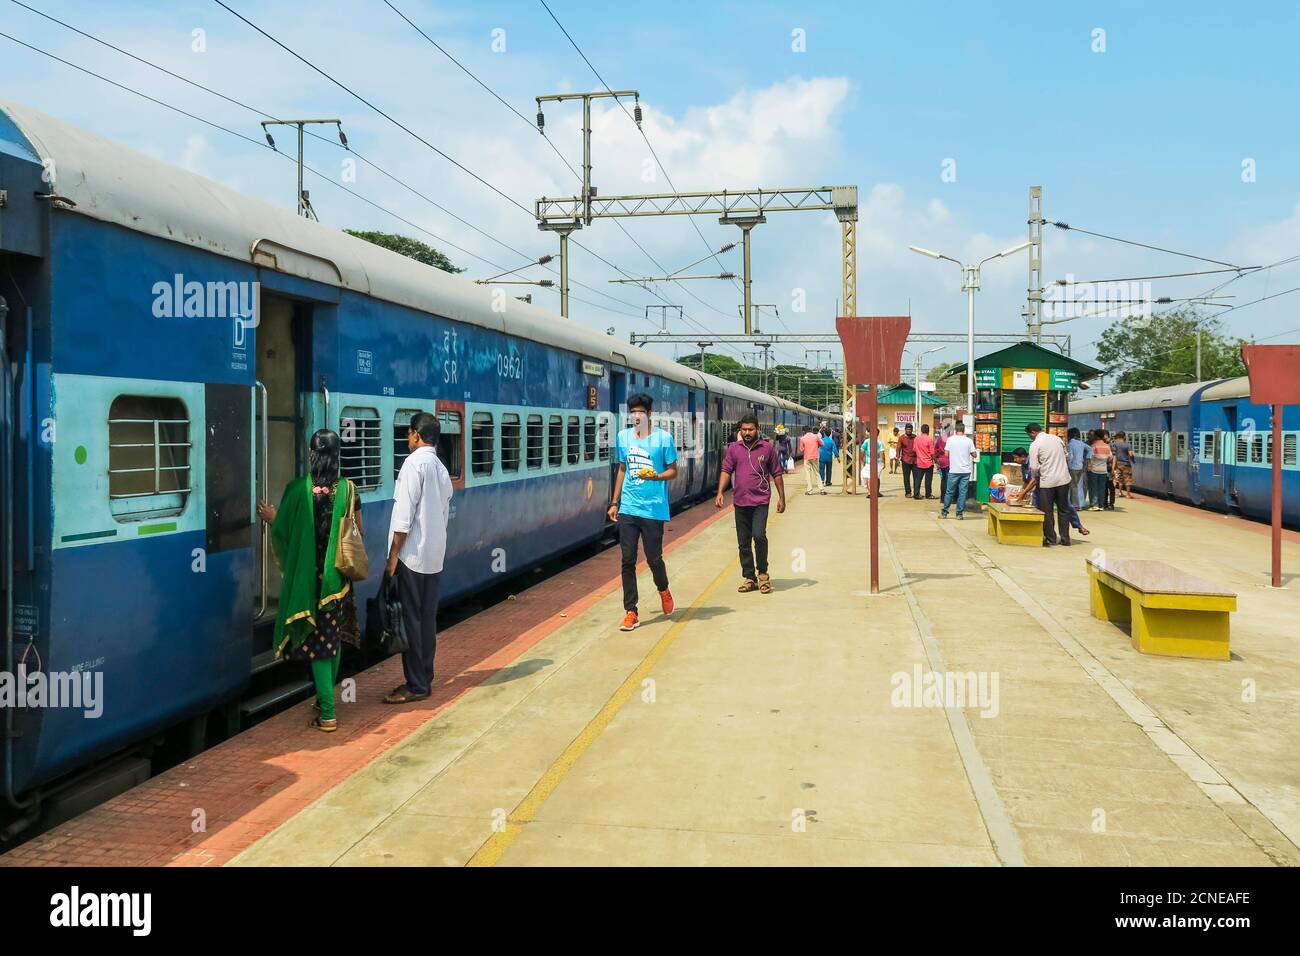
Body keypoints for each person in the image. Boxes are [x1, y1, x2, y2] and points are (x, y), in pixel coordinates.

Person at [256, 429, 362, 732]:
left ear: (311, 454)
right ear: (337, 455)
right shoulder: (349, 490)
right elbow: (356, 534)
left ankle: (328, 714)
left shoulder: (296, 490)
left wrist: (273, 517)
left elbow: (284, 532)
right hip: (337, 581)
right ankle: (325, 701)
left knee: (319, 647)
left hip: (308, 582)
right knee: (333, 640)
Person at [383, 412, 453, 704]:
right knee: (426, 620)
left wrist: (392, 557)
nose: (407, 438)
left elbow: (403, 519)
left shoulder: (413, 465)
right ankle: (425, 675)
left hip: (412, 556)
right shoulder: (440, 468)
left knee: (410, 620)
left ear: (416, 435)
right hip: (434, 556)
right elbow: (445, 508)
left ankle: (416, 685)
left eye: (409, 433)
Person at [609, 393, 677, 631]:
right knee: (627, 560)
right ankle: (631, 611)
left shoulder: (663, 439)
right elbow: (621, 469)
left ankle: (664, 589)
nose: (636, 416)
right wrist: (614, 502)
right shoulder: (623, 437)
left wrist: (656, 476)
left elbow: (673, 471)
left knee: (653, 558)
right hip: (628, 507)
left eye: (640, 412)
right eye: (632, 412)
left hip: (653, 509)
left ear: (649, 414)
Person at [716, 413, 786, 594]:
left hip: (761, 500)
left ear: (757, 429)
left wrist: (782, 497)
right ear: (740, 430)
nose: (747, 432)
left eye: (751, 429)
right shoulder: (734, 449)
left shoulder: (767, 448)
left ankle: (763, 574)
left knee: (759, 535)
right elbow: (726, 470)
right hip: (740, 501)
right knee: (743, 541)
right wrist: (720, 492)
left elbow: (777, 473)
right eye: (744, 429)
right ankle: (749, 577)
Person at [1009, 447, 1088, 536]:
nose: (1015, 460)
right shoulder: (1024, 465)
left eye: (1016, 458)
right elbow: (1027, 481)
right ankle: (1042, 534)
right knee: (1037, 509)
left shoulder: (1033, 461)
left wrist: (1022, 494)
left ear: (1023, 456)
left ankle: (1078, 526)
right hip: (1040, 489)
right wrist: (1020, 492)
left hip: (1052, 484)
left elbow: (1034, 480)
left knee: (1067, 506)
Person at [1027, 423, 1072, 546]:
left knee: (1047, 510)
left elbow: (1034, 467)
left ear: (1032, 433)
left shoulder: (1035, 444)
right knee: (1063, 510)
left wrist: (1040, 471)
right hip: (1064, 479)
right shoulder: (1057, 439)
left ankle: (1051, 538)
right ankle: (1065, 539)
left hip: (1047, 481)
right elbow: (1066, 455)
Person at [939, 422, 977, 519]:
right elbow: (974, 455)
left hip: (954, 470)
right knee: (963, 492)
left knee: (949, 492)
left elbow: (946, 454)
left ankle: (944, 513)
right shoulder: (969, 441)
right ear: (964, 430)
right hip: (965, 471)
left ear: (955, 430)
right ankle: (959, 514)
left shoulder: (950, 440)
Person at [1087, 430, 1113, 512]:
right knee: (1101, 488)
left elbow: (1090, 457)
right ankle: (1101, 505)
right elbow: (1110, 457)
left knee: (1093, 488)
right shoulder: (1107, 446)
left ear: (1097, 436)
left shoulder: (1093, 446)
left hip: (1094, 470)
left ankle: (1094, 505)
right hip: (1103, 470)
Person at [1066, 427, 1091, 510]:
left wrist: (1068, 466)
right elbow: (1090, 449)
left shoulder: (1070, 444)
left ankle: (1075, 505)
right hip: (1080, 467)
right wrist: (1087, 458)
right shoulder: (1081, 443)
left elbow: (1071, 456)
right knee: (1079, 485)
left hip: (1073, 467)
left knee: (1072, 486)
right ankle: (1081, 503)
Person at [913, 423, 936, 499]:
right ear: (928, 431)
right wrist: (935, 461)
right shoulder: (929, 439)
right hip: (928, 463)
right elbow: (932, 453)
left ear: (921, 430)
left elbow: (914, 450)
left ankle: (916, 494)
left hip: (919, 462)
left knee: (918, 479)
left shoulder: (916, 439)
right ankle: (928, 494)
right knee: (928, 480)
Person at [799, 424, 823, 495]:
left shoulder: (802, 438)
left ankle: (810, 490)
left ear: (804, 431)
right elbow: (822, 443)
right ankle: (821, 489)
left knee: (808, 474)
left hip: (807, 458)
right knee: (817, 473)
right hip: (815, 457)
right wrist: (816, 446)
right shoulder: (816, 437)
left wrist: (806, 449)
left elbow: (801, 449)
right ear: (810, 430)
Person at [1112, 430, 1135, 499]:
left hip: (1118, 464)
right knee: (1128, 479)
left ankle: (1119, 492)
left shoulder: (1115, 444)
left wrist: (1114, 465)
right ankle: (1128, 494)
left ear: (1118, 436)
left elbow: (1114, 455)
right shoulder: (1127, 445)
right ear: (1124, 437)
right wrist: (1133, 459)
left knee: (1120, 479)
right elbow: (1131, 454)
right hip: (1126, 464)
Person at [818, 425, 839, 492]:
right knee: (829, 470)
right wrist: (837, 456)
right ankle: (828, 481)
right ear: (830, 434)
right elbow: (835, 450)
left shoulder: (821, 440)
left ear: (824, 433)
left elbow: (817, 447)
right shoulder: (831, 441)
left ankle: (822, 481)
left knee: (821, 469)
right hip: (829, 458)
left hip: (822, 457)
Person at [898, 423, 917, 498]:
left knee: (916, 477)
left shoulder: (915, 437)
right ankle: (908, 492)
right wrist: (897, 458)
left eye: (910, 429)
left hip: (915, 460)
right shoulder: (901, 438)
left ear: (912, 430)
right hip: (905, 460)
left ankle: (916, 492)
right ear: (905, 429)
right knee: (906, 477)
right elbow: (898, 448)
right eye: (907, 429)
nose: (909, 430)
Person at [935, 424, 951, 499]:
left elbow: (936, 449)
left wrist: (937, 461)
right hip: (949, 461)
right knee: (949, 480)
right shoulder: (951, 438)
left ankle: (942, 497)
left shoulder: (940, 438)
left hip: (941, 461)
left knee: (943, 479)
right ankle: (948, 498)